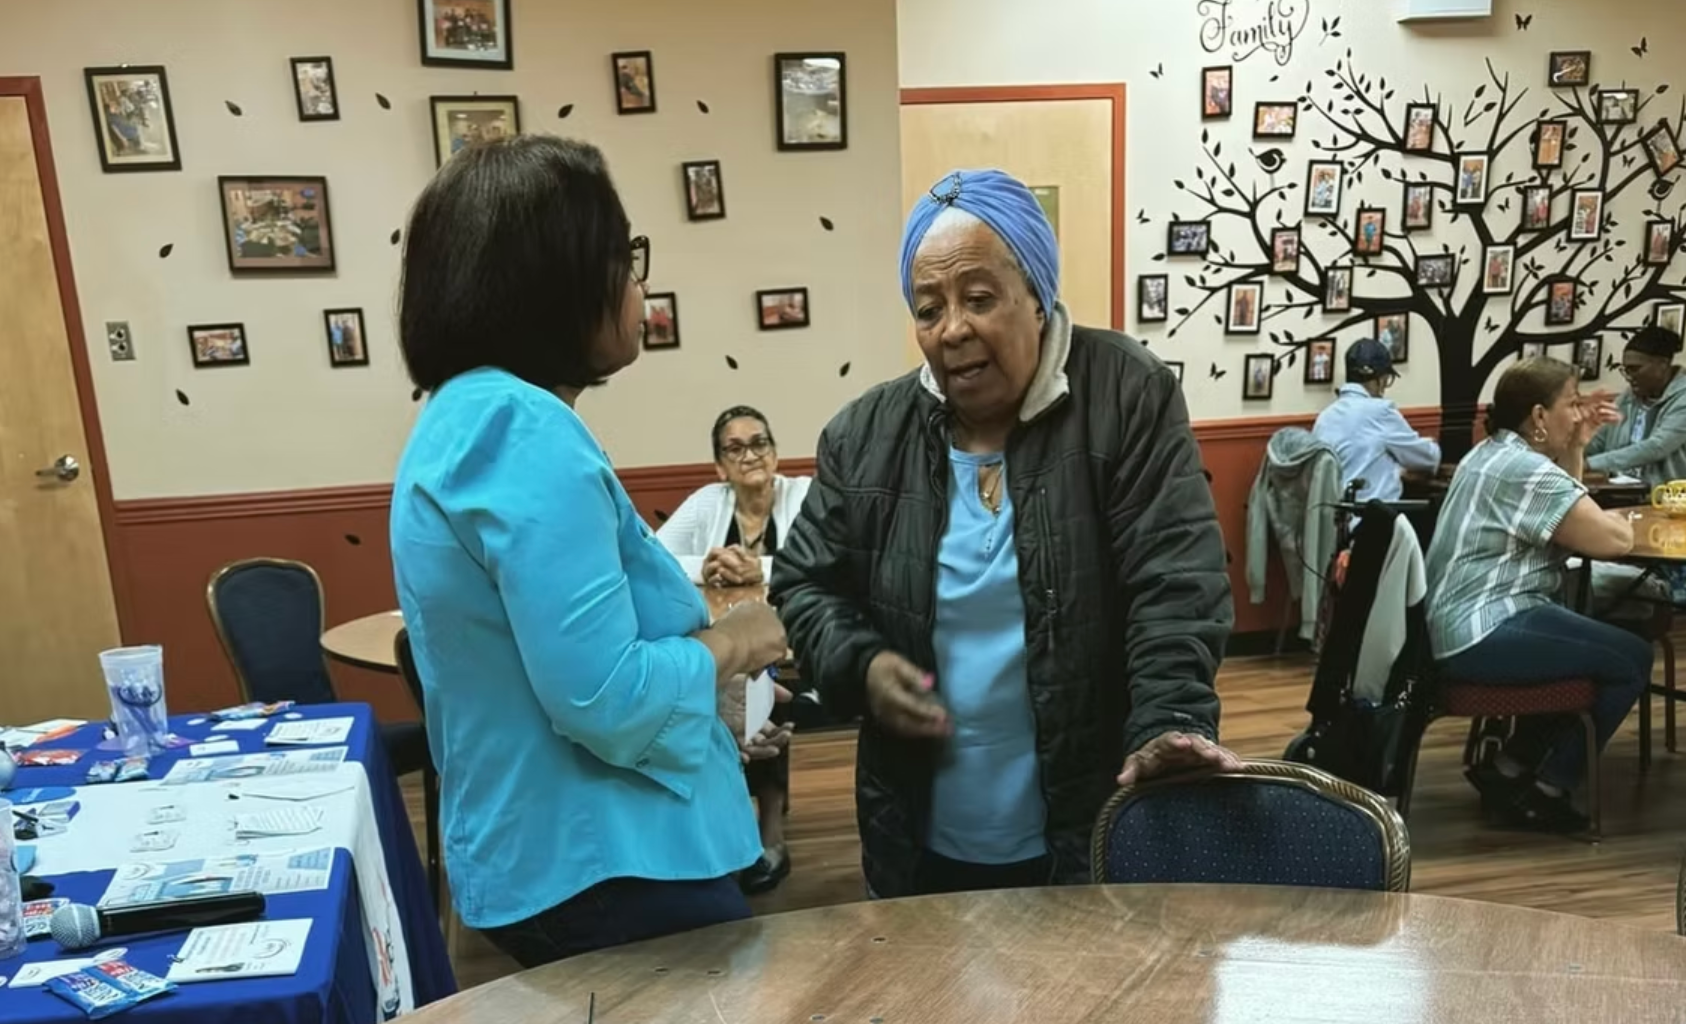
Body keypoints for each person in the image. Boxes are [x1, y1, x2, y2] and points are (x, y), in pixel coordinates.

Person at [770, 168, 1240, 900]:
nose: (952, 328)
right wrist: (860, 664)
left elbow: (1175, 583)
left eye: (980, 299)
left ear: (1038, 295)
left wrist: (1168, 718)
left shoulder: (1128, 395)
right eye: (929, 310)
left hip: (1091, 822)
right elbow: (803, 581)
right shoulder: (865, 435)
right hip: (920, 830)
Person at [388, 135, 791, 966]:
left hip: (557, 851)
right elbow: (602, 694)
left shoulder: (469, 415)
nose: (638, 282)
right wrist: (737, 642)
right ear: (554, 281)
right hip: (602, 861)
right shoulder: (523, 428)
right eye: (623, 255)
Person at [1425, 357, 1648, 832]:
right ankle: (1547, 789)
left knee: (1592, 648)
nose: (1579, 412)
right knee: (1630, 658)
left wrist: (1579, 445)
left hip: (1458, 621)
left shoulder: (1491, 454)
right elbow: (1614, 541)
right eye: (1571, 403)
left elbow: (1570, 504)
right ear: (1539, 417)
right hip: (1483, 629)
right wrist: (1619, 517)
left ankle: (1507, 769)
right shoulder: (1526, 472)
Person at [658, 406, 813, 893]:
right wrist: (710, 564)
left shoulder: (803, 494)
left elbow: (823, 557)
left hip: (802, 646)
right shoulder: (710, 502)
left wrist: (760, 568)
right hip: (740, 652)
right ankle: (730, 820)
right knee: (742, 672)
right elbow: (658, 557)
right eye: (735, 447)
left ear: (774, 451)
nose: (751, 455)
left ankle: (769, 827)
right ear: (719, 466)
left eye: (760, 442)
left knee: (756, 672)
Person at [1312, 338, 1441, 502]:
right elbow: (1428, 457)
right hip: (1372, 521)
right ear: (1380, 380)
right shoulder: (1381, 411)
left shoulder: (1324, 418)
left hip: (1329, 521)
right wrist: (1428, 445)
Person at [1585, 325, 1686, 489]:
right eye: (1625, 370)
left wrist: (1589, 464)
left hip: (1664, 497)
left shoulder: (1683, 398)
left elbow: (1657, 447)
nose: (1629, 377)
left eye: (1635, 369)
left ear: (1663, 364)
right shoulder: (1628, 396)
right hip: (1619, 488)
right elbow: (1599, 439)